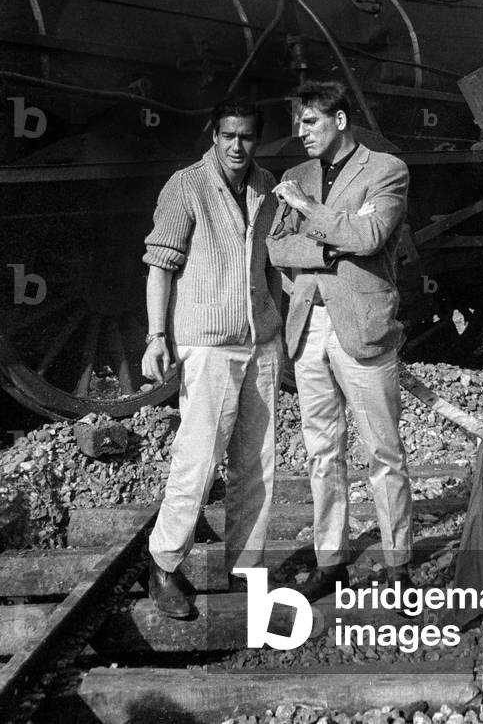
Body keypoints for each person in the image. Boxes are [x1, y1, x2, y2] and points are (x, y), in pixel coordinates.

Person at [267, 80, 413, 601]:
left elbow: (371, 238)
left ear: (340, 121)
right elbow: (277, 248)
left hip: (362, 326)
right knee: (321, 451)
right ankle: (331, 560)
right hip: (308, 328)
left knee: (383, 451)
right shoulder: (293, 175)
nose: (300, 132)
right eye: (298, 122)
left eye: (311, 122)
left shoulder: (386, 170)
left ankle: (398, 566)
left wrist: (309, 211)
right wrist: (329, 250)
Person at [142, 98, 282, 618]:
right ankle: (163, 565)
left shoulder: (268, 187)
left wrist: (279, 333)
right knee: (199, 458)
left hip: (261, 341)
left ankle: (246, 570)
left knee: (258, 463)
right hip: (208, 341)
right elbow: (159, 264)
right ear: (214, 136)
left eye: (246, 136)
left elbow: (273, 268)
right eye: (229, 136)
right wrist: (157, 335)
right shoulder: (186, 186)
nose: (237, 146)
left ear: (257, 139)